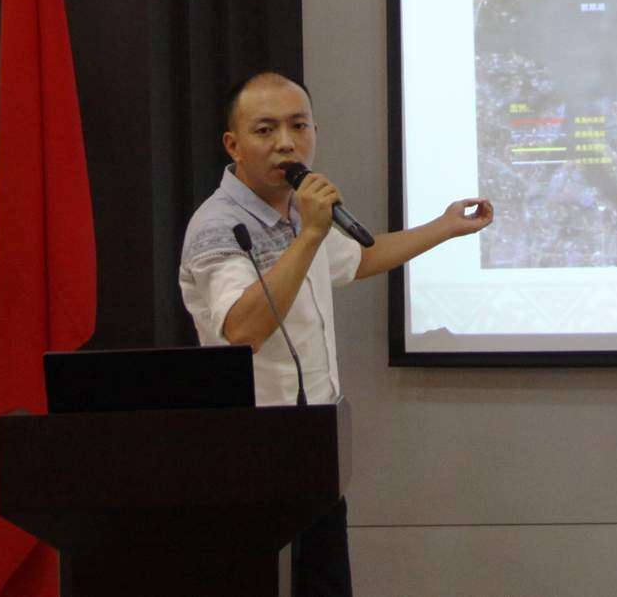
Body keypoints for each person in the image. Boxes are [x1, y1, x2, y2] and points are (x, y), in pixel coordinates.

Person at [179, 70, 493, 597]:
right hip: (249, 456)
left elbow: (359, 258)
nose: (286, 143)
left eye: (299, 126)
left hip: (315, 444)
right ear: (233, 144)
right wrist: (310, 235)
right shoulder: (219, 225)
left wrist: (443, 227)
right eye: (266, 130)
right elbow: (241, 330)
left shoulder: (298, 209)